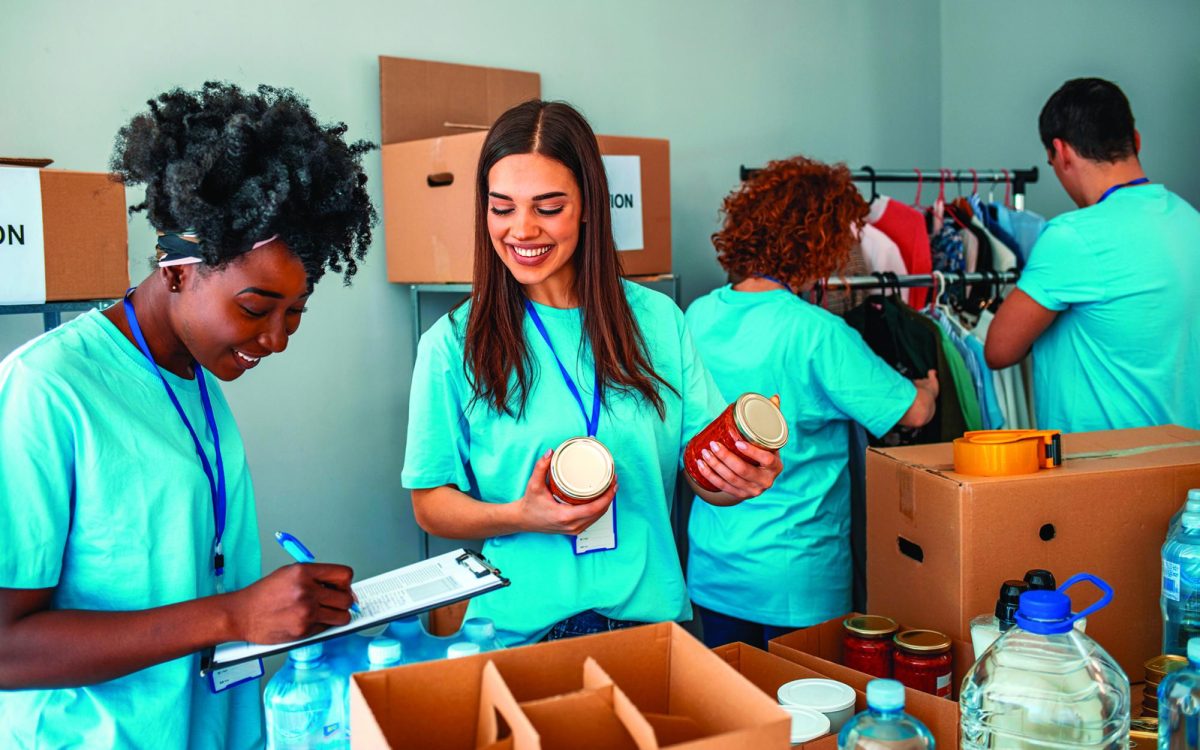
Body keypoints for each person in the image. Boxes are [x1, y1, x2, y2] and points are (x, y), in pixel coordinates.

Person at [0, 82, 376, 749]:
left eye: (295, 314)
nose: (276, 339)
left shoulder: (191, 378)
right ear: (177, 270)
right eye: (257, 308)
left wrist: (277, 608)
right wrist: (233, 614)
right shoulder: (46, 389)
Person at [402, 100, 783, 647]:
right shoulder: (451, 346)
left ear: (588, 207)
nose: (521, 230)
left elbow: (699, 474)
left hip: (650, 631)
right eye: (501, 208)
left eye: (548, 207)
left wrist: (737, 477)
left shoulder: (659, 322)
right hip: (517, 637)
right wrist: (522, 515)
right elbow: (429, 502)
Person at [685, 156, 938, 648]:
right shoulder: (817, 333)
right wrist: (929, 385)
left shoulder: (697, 315)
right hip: (798, 578)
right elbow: (912, 413)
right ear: (822, 243)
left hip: (714, 569)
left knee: (737, 714)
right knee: (805, 720)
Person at [986, 77, 1200, 432]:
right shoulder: (1190, 220)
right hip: (1188, 467)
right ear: (1136, 140)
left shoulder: (1072, 237)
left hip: (1106, 473)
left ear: (1062, 152)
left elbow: (999, 350)